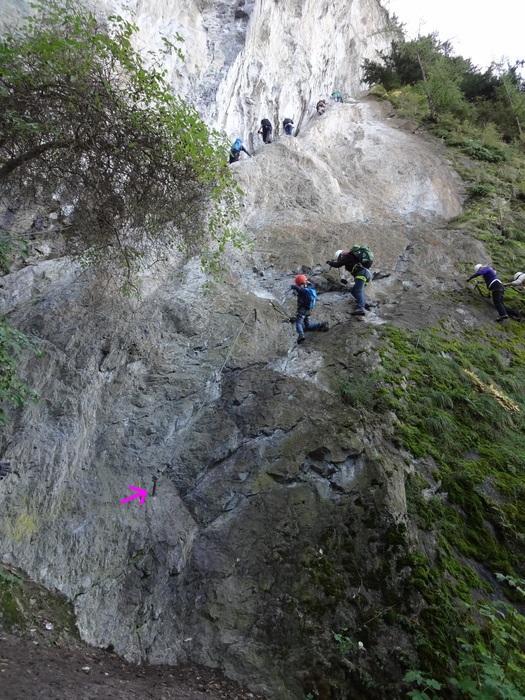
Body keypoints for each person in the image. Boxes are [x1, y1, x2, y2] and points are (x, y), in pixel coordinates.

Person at [326, 249, 372, 316]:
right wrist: (346, 282)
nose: (340, 259)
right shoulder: (351, 258)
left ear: (340, 255)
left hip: (362, 274)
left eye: (339, 258)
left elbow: (338, 264)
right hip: (365, 274)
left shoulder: (347, 256)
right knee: (353, 291)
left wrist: (330, 263)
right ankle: (364, 303)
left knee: (358, 291)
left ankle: (361, 308)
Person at [290, 274, 329, 344]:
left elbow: (299, 289)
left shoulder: (303, 291)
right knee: (308, 326)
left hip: (302, 310)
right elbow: (306, 286)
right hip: (308, 310)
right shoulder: (311, 288)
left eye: (299, 284)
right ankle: (321, 324)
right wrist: (307, 282)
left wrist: (293, 286)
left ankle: (301, 335)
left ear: (301, 284)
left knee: (298, 323)